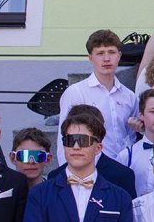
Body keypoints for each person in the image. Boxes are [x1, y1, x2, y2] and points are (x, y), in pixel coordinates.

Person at [59, 29, 139, 160]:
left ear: (119, 56)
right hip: (91, 166)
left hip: (123, 166)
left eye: (111, 52)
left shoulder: (129, 96)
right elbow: (63, 139)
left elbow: (131, 136)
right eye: (100, 53)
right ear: (90, 58)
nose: (106, 59)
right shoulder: (76, 93)